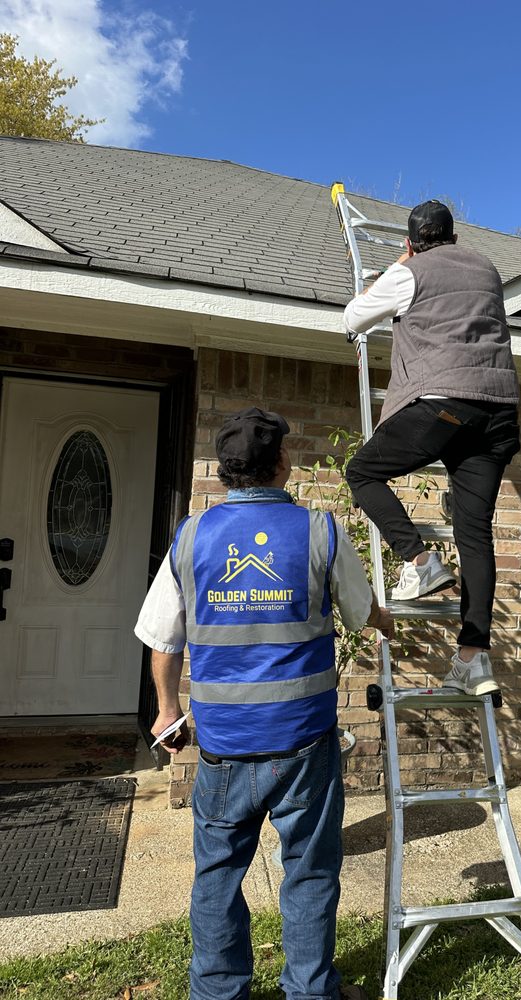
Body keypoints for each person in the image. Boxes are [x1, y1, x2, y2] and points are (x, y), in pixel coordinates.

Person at [135, 406, 391, 1000]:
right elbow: (361, 612)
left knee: (218, 874)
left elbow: (161, 637)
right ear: (281, 464)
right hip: (303, 745)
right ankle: (310, 989)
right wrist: (386, 616)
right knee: (308, 869)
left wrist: (167, 710)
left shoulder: (192, 537)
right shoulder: (319, 531)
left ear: (225, 471)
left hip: (223, 746)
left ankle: (218, 992)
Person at [343, 200, 520, 698]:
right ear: (454, 236)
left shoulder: (410, 272)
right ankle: (474, 658)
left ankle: (420, 564)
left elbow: (354, 318)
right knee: (475, 535)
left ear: (410, 242)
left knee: (362, 474)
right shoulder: (486, 268)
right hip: (499, 411)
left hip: (443, 404)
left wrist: (398, 268)